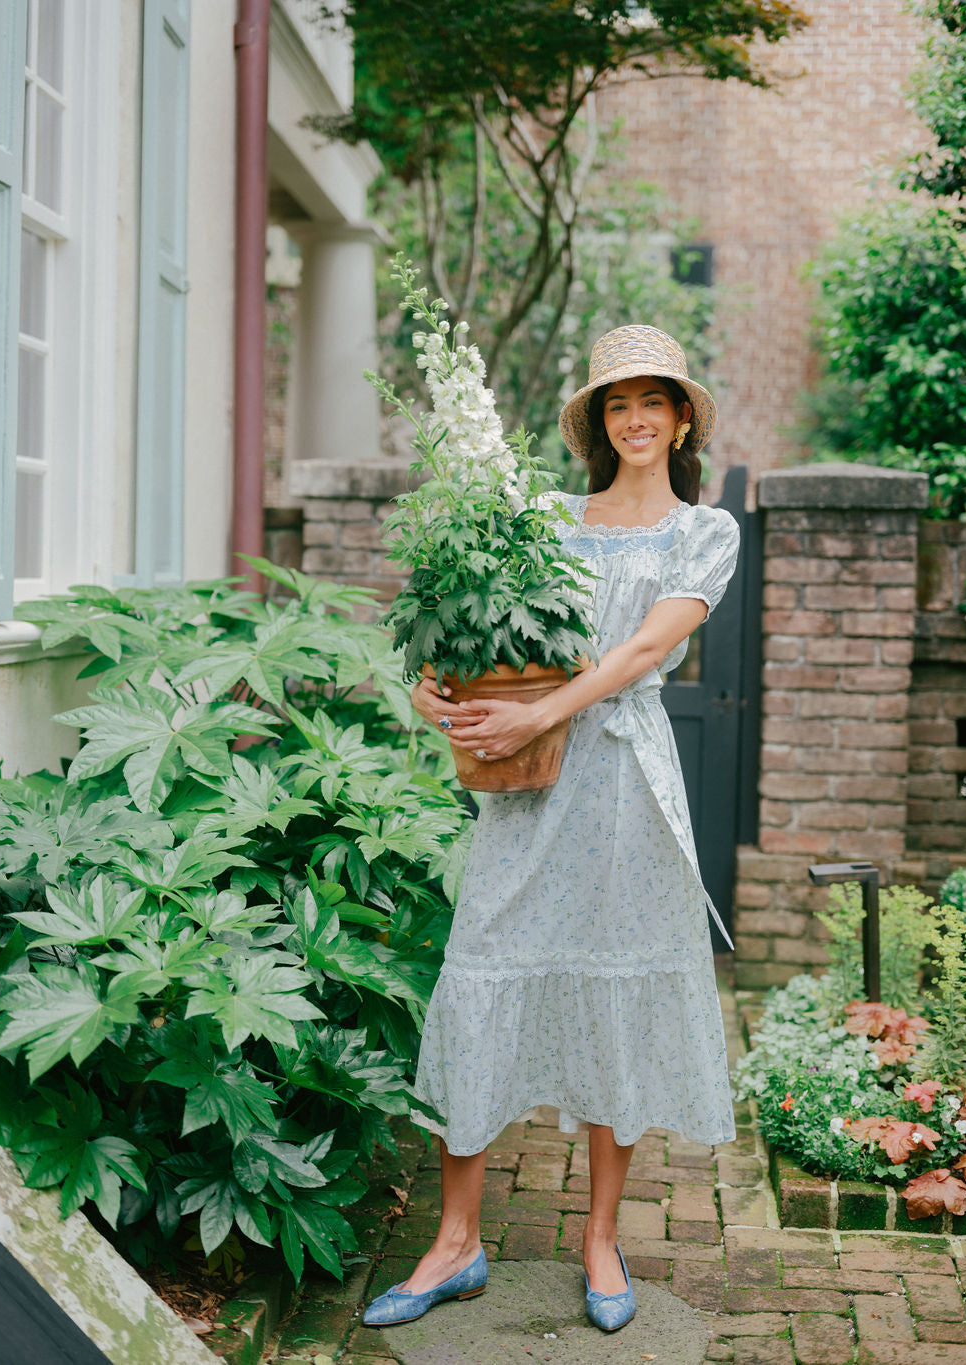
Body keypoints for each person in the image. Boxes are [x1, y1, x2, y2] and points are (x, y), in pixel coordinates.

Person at [362, 325, 740, 1333]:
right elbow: (475, 625)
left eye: (652, 401)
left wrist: (542, 710)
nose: (636, 419)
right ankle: (455, 1243)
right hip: (528, 786)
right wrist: (436, 689)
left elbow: (645, 648)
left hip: (624, 782)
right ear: (599, 423)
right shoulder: (543, 518)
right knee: (480, 974)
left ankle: (600, 1239)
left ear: (682, 415)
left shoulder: (704, 533)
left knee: (612, 993)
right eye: (618, 404)